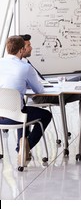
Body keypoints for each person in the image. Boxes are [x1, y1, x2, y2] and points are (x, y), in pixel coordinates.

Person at [20, 34, 81, 139]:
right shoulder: (23, 65)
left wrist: (51, 83)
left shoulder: (25, 62)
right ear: (21, 48)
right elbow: (35, 87)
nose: (31, 48)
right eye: (28, 45)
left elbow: (38, 81)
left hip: (46, 89)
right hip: (43, 95)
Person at [0, 36, 52, 166]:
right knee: (46, 115)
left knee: (21, 109)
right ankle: (25, 146)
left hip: (1, 116)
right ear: (22, 50)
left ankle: (21, 147)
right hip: (17, 116)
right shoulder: (25, 67)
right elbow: (39, 90)